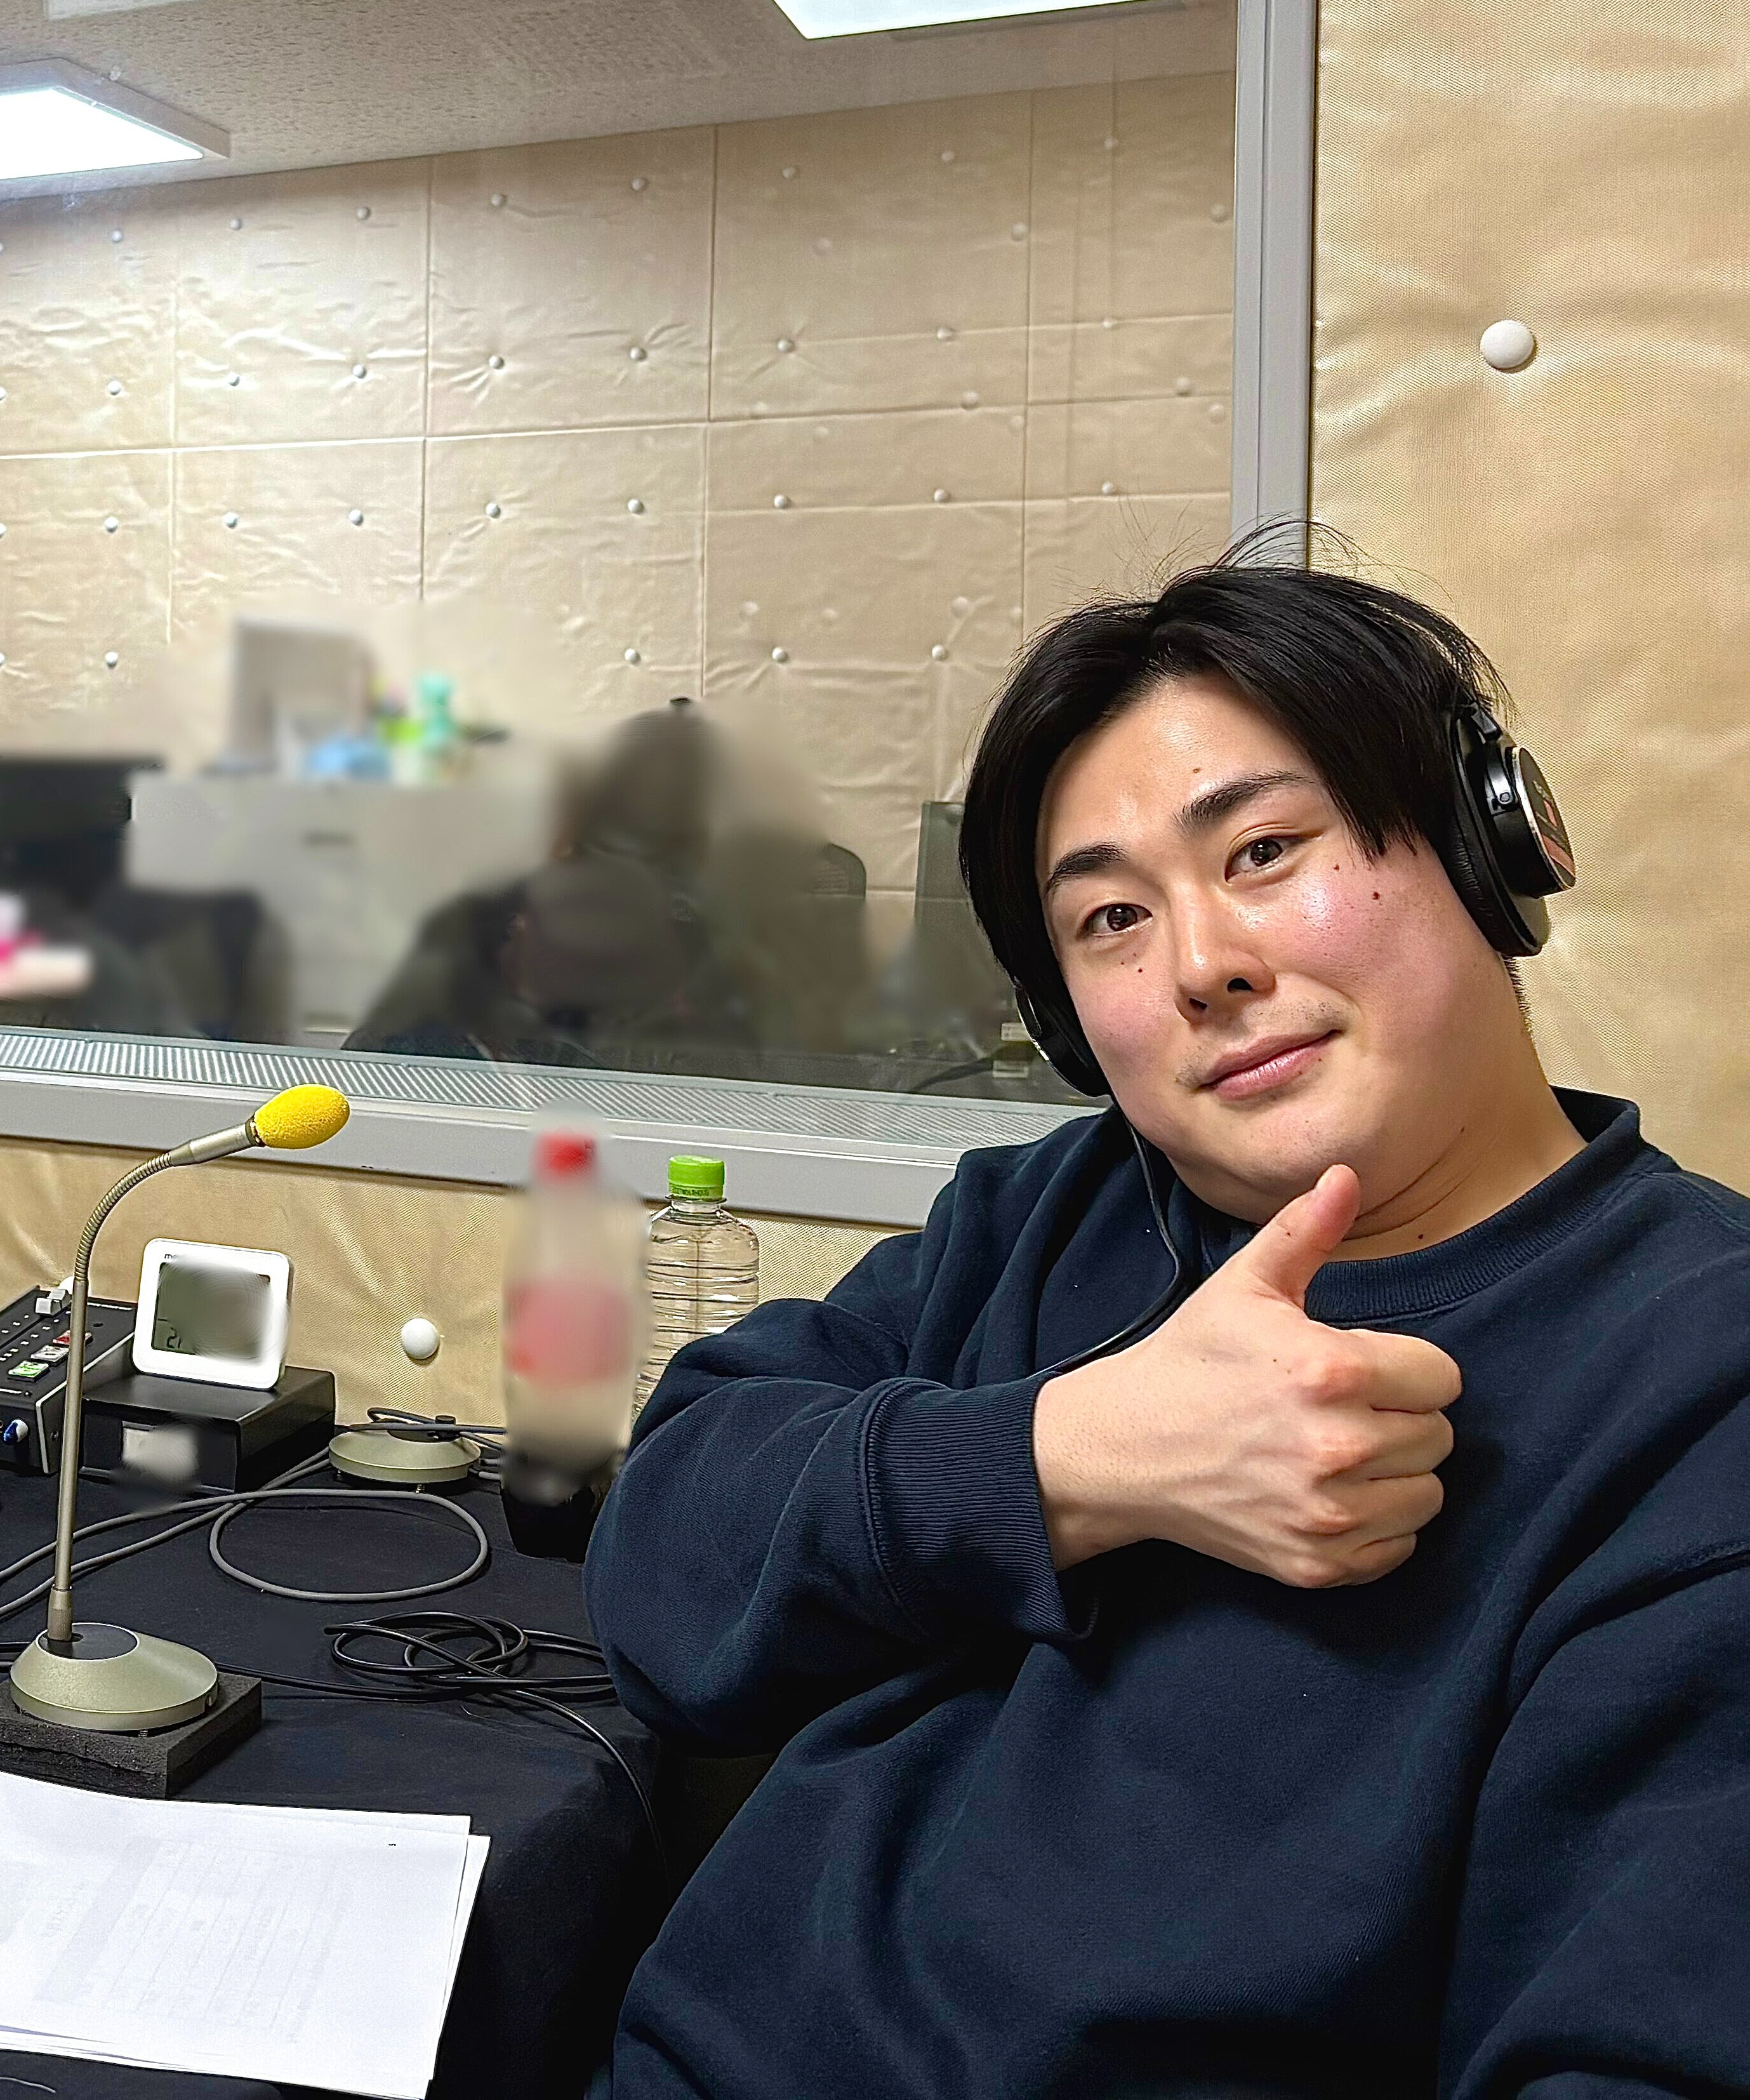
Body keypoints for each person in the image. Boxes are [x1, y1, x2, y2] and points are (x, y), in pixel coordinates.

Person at [587, 552, 1750, 2097]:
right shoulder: (1044, 1216)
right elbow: (663, 1572)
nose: (1202, 966)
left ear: (1490, 843)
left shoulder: (1699, 1379)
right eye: (1114, 918)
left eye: (1264, 850)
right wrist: (1070, 1456)